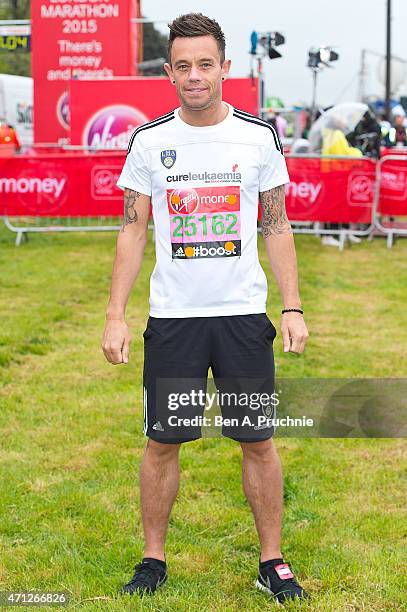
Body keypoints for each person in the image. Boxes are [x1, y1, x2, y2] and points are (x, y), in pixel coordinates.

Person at [101, 12, 309, 605]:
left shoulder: (258, 138)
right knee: (163, 442)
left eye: (205, 64)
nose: (195, 76)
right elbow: (132, 232)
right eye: (183, 66)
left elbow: (276, 225)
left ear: (225, 68)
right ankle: (152, 559)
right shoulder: (149, 142)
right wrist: (116, 314)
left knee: (258, 441)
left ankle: (272, 560)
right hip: (173, 321)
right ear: (169, 72)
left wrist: (291, 307)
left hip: (243, 317)